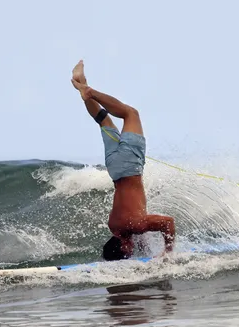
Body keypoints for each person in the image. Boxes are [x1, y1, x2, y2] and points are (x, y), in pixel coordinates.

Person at [71, 60, 175, 261]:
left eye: (128, 252)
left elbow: (168, 222)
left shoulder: (135, 225)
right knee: (103, 120)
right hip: (114, 169)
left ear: (124, 245)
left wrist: (168, 252)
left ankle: (88, 91)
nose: (131, 252)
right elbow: (133, 231)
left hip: (130, 166)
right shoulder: (115, 226)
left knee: (130, 114)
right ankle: (81, 84)